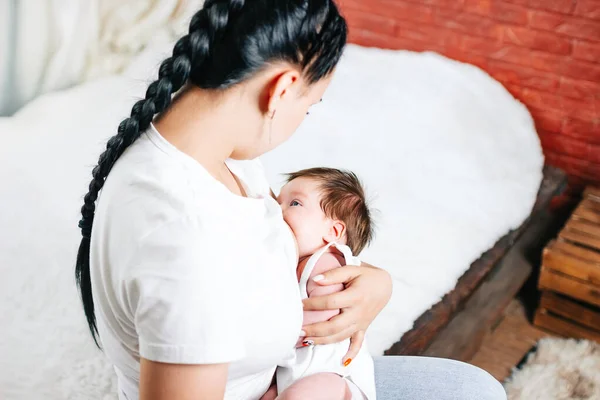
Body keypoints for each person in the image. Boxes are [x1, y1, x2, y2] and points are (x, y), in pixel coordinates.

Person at [73, 1, 508, 399]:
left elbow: (274, 245)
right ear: (282, 90)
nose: (305, 117)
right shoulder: (186, 240)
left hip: (284, 378)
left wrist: (374, 283)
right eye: (311, 104)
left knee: (477, 389)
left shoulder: (215, 154)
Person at [273, 167, 376, 400]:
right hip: (298, 374)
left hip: (337, 379)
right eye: (277, 201)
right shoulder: (289, 261)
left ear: (334, 231)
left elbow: (321, 319)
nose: (277, 210)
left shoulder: (326, 262)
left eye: (295, 203)